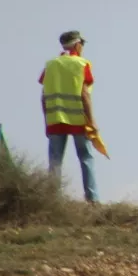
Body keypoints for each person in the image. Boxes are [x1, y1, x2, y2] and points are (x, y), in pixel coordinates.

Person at [40, 30, 99, 203]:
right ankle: (92, 199)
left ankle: (53, 200)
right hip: (78, 119)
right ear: (77, 44)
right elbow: (84, 94)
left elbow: (43, 96)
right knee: (86, 158)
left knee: (55, 161)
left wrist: (46, 122)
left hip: (55, 120)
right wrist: (92, 120)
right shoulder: (81, 64)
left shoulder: (50, 65)